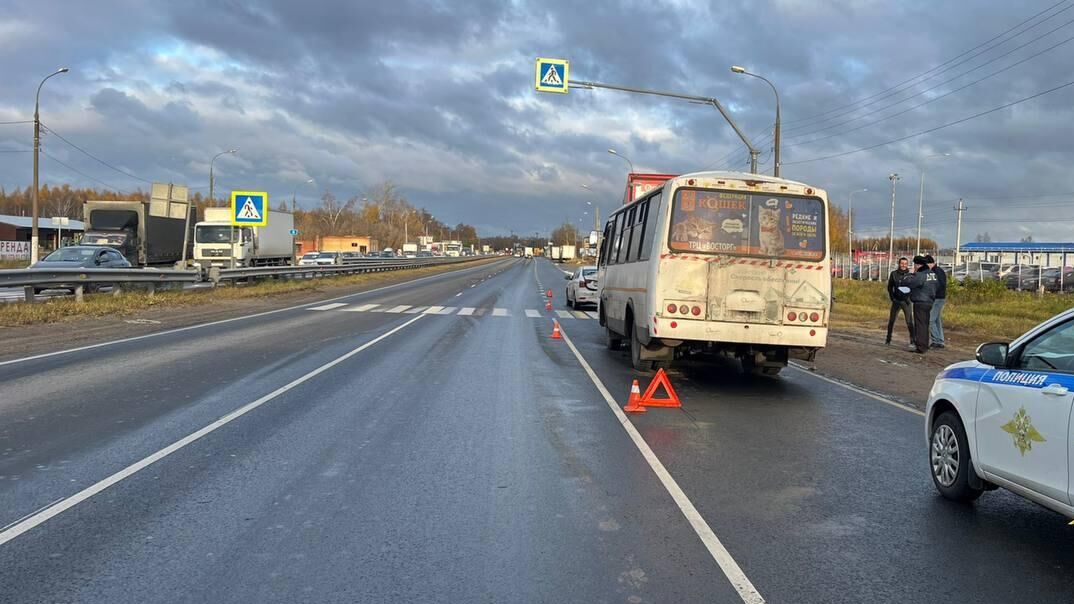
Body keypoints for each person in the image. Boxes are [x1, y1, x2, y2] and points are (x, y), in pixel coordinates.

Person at [903, 255, 938, 354]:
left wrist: (910, 275)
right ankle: (925, 344)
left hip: (920, 301)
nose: (914, 267)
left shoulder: (920, 275)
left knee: (920, 325)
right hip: (929, 301)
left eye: (914, 265)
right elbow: (937, 286)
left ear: (918, 265)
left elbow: (910, 283)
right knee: (925, 324)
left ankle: (921, 347)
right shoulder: (933, 274)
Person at [885, 257, 914, 345]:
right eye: (902, 263)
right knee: (891, 321)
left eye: (905, 263)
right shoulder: (894, 274)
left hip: (907, 301)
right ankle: (888, 339)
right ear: (899, 264)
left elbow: (914, 287)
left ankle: (913, 340)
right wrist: (892, 297)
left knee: (909, 321)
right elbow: (890, 287)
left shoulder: (911, 275)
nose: (903, 265)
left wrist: (911, 298)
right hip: (896, 301)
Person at [926, 255, 947, 348]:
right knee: (937, 320)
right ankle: (941, 341)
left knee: (930, 320)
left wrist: (932, 291)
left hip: (938, 298)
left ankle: (936, 340)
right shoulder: (936, 271)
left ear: (930, 263)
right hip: (938, 298)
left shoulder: (937, 271)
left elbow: (941, 284)